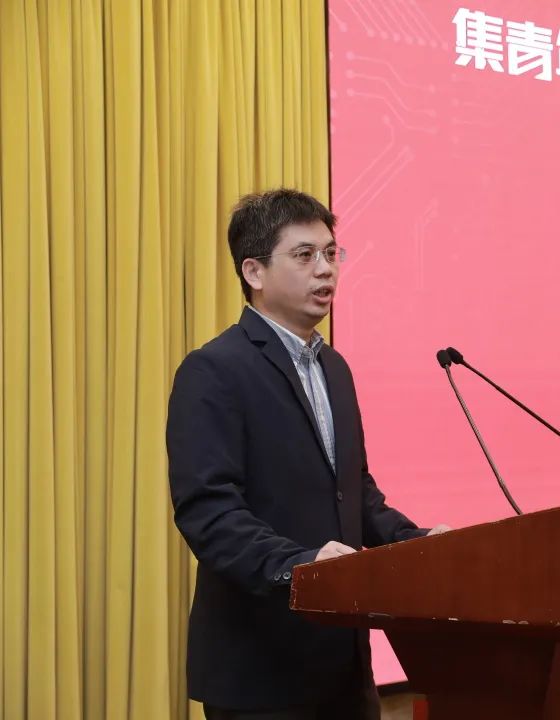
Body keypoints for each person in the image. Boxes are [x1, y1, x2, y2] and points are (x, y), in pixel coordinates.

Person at [167, 188, 448, 720]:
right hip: (260, 670)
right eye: (304, 255)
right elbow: (209, 513)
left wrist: (421, 545)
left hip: (343, 664)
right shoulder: (214, 370)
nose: (326, 269)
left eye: (331, 253)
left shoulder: (334, 368)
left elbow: (355, 496)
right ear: (253, 271)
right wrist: (300, 565)